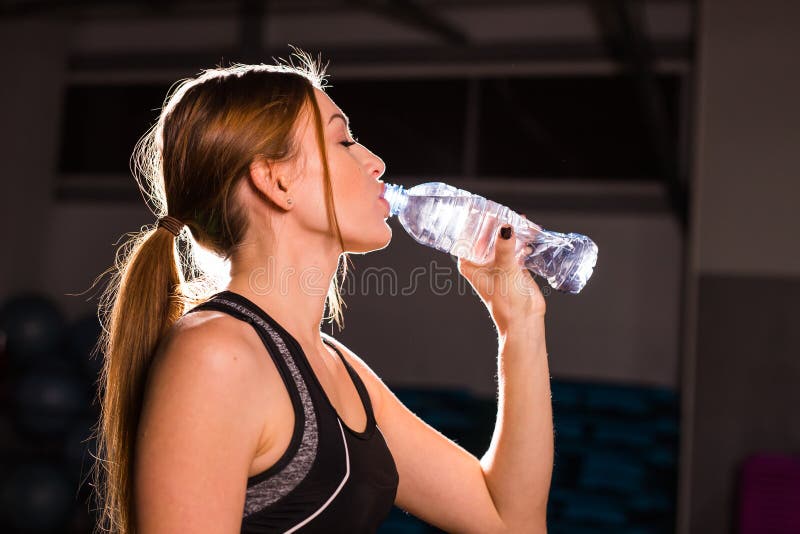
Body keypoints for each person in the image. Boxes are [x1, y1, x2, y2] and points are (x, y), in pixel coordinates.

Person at [90, 52, 553, 534]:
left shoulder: (336, 367)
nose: (375, 162)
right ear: (277, 179)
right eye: (344, 140)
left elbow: (511, 520)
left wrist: (519, 322)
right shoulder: (217, 356)